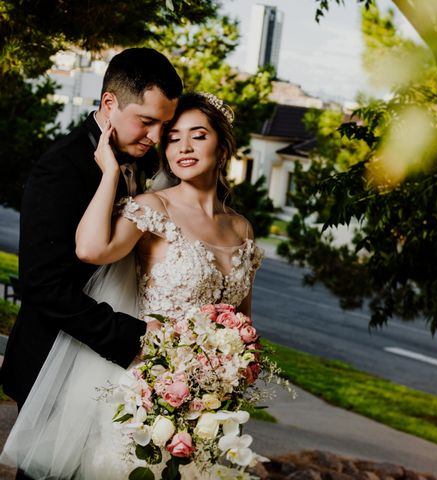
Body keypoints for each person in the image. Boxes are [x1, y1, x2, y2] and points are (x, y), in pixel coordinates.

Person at [1, 92, 264, 479]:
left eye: (198, 135)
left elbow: (241, 321)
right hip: (140, 385)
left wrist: (233, 370)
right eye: (173, 138)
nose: (183, 147)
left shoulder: (241, 227)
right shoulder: (152, 207)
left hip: (204, 401)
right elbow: (91, 249)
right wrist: (109, 173)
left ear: (222, 146)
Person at [0, 47, 182, 414]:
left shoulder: (144, 158)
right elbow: (43, 285)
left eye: (164, 124)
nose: (156, 137)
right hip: (52, 357)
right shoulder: (61, 167)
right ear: (109, 102)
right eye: (146, 120)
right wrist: (133, 337)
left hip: (108, 370)